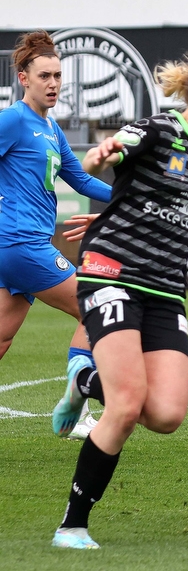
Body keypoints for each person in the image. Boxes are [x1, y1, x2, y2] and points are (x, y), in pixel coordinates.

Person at [49, 47, 188, 549]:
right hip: (112, 275)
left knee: (166, 414)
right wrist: (102, 153)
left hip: (164, 290)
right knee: (126, 405)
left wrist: (113, 213)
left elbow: (150, 203)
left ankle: (83, 379)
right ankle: (71, 526)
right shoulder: (160, 128)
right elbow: (119, 147)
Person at [0, 30, 113, 439]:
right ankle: (79, 406)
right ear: (23, 78)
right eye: (44, 75)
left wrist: (126, 197)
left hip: (17, 249)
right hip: (22, 245)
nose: (53, 84)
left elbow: (81, 180)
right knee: (95, 307)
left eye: (58, 76)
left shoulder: (51, 128)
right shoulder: (13, 120)